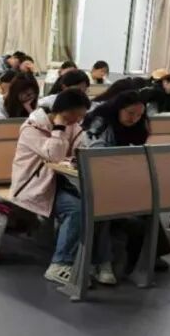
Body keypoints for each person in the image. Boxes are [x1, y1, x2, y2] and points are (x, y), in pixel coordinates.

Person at [8, 90, 106, 285]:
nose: (77, 120)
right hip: (33, 185)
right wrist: (59, 127)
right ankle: (60, 264)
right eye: (74, 114)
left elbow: (80, 149)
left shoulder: (73, 126)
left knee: (98, 205)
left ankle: (91, 262)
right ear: (61, 110)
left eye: (81, 116)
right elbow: (54, 155)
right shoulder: (32, 128)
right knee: (76, 210)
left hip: (59, 182)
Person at [81, 90, 170, 275]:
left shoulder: (139, 126)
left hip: (121, 177)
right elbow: (96, 153)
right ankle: (129, 258)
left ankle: (150, 254)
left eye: (139, 115)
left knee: (148, 204)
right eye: (130, 113)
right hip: (98, 177)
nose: (134, 119)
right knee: (133, 206)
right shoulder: (100, 122)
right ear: (118, 108)